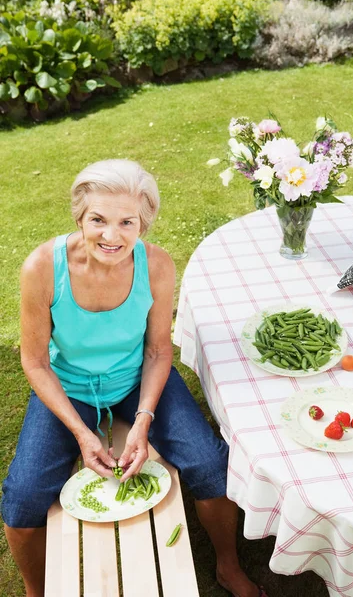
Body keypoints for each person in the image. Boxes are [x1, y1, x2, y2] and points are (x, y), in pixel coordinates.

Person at [1, 159, 267, 597]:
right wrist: (82, 434)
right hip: (67, 386)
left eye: (127, 222)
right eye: (98, 220)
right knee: (22, 500)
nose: (112, 235)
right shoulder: (43, 268)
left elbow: (159, 350)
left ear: (143, 223)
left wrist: (143, 421)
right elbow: (35, 363)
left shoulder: (157, 265)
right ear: (79, 218)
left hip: (136, 380)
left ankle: (227, 566)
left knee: (209, 465)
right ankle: (35, 591)